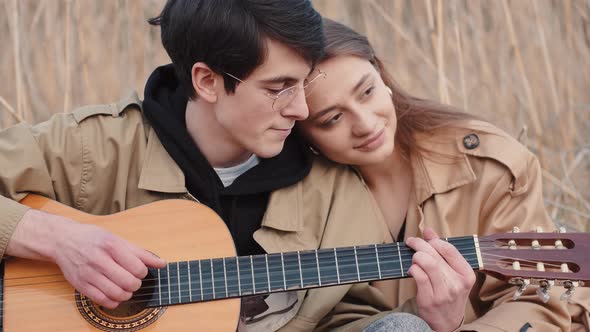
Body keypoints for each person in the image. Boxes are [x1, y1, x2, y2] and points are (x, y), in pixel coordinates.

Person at [0, 2, 420, 331]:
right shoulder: (95, 146)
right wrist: (57, 239)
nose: (301, 109)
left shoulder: (333, 193)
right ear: (207, 81)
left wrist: (438, 318)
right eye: (279, 89)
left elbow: (351, 318)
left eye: (303, 82)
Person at [297, 19, 590, 332]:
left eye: (367, 91)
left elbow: (538, 301)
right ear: (302, 134)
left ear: (382, 77)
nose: (365, 124)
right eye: (332, 119)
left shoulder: (486, 166)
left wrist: (453, 328)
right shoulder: (296, 196)